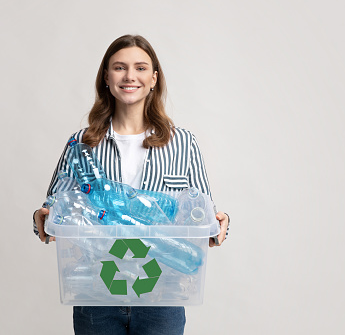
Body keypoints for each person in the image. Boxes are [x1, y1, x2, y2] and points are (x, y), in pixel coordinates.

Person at [33, 34, 230, 335]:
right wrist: (41, 219)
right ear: (106, 77)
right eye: (119, 67)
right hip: (97, 293)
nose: (129, 76)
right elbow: (53, 215)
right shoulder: (82, 145)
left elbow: (203, 216)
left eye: (140, 68)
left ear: (154, 78)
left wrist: (221, 224)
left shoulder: (183, 144)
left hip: (162, 295)